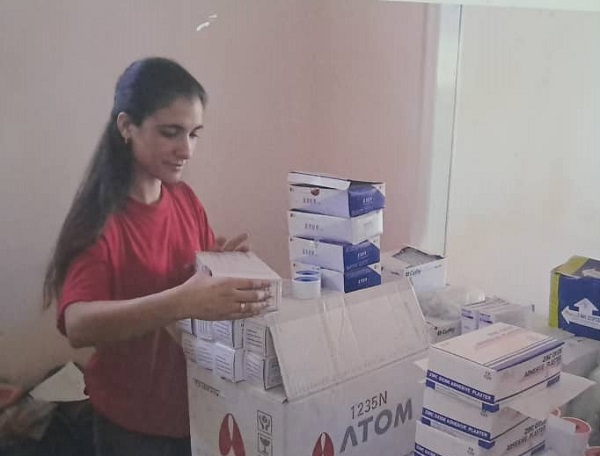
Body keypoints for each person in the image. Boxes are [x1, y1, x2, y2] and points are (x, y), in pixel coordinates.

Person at [42, 57, 271, 456]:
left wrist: (221, 265)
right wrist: (183, 300)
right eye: (170, 133)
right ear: (126, 126)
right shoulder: (102, 221)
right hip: (132, 427)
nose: (187, 150)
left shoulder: (184, 199)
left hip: (196, 407)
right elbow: (77, 324)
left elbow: (188, 276)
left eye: (194, 134)